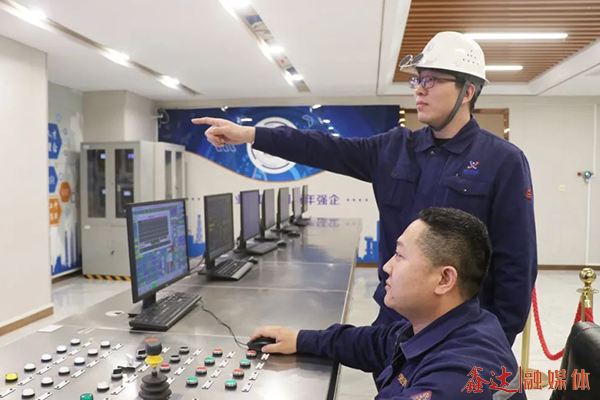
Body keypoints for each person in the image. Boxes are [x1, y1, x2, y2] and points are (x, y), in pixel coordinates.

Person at [192, 31, 537, 345]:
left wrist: (495, 339)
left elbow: (517, 262)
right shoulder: (394, 148)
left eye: (431, 80)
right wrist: (251, 134)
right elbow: (321, 147)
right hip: (393, 324)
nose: (419, 89)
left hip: (460, 332)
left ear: (468, 91)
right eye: (418, 79)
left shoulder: (503, 161)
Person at [250, 208, 526, 400]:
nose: (387, 267)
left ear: (444, 279)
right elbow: (372, 343)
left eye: (400, 256)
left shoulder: (457, 377)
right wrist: (300, 339)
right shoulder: (443, 324)